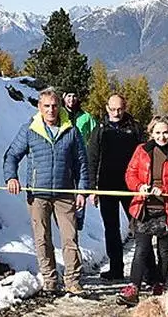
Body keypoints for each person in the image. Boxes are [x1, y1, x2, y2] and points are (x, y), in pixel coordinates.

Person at [3, 87, 89, 295]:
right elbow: (12, 155)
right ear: (39, 107)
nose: (51, 110)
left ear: (60, 107)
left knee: (70, 238)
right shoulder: (29, 129)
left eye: (54, 106)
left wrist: (82, 191)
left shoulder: (71, 130)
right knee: (42, 238)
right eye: (47, 106)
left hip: (65, 193)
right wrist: (11, 177)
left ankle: (72, 281)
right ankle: (49, 280)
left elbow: (82, 163)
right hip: (37, 194)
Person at [118, 116, 168, 306]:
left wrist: (166, 189)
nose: (162, 136)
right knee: (141, 249)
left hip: (167, 210)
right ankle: (133, 287)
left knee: (163, 251)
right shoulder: (141, 151)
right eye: (157, 132)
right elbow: (130, 174)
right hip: (144, 208)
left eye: (165, 132)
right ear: (151, 133)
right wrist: (138, 186)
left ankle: (159, 283)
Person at [86, 94, 144, 280]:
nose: (116, 113)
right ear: (106, 108)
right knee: (111, 229)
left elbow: (145, 158)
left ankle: (146, 270)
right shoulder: (99, 130)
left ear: (125, 107)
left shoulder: (135, 128)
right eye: (112, 109)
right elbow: (92, 159)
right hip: (107, 186)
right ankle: (116, 268)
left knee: (140, 228)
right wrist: (92, 188)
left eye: (119, 109)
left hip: (131, 187)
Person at [62, 88, 98, 231]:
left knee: (80, 190)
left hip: (80, 159)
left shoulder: (86, 117)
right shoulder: (60, 114)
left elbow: (95, 137)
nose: (71, 99)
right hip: (63, 158)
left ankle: (78, 221)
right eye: (68, 96)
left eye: (74, 96)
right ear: (63, 97)